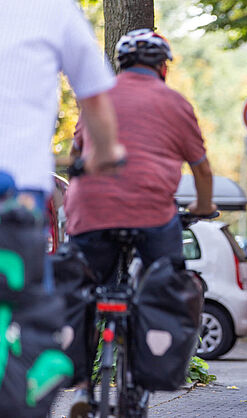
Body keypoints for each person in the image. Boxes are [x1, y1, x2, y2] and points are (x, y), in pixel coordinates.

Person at [64, 29, 216, 413]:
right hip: (152, 213)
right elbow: (202, 170)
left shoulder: (96, 98)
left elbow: (76, 153)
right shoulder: (176, 103)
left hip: (91, 210)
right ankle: (151, 368)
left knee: (78, 287)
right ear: (163, 67)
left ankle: (81, 386)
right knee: (166, 283)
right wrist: (202, 208)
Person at [0, 1, 123, 414]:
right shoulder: (53, 9)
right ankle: (41, 371)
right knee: (32, 319)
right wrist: (105, 156)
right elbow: (96, 99)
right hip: (16, 198)